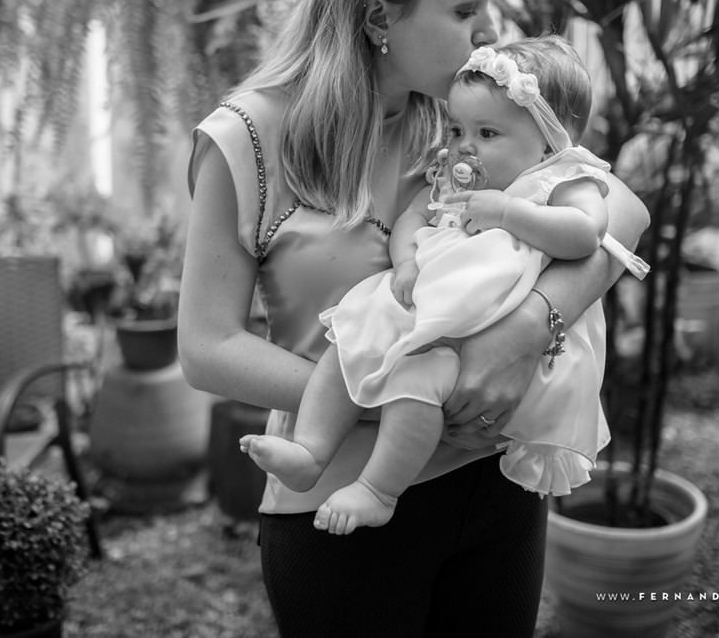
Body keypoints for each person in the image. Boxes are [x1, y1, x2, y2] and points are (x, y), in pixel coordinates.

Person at [180, 0, 649, 638]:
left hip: (498, 492)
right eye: (466, 10)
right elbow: (205, 348)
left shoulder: (473, 111)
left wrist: (529, 327)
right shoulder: (246, 140)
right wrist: (405, 392)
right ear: (377, 16)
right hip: (340, 511)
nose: (489, 31)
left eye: (489, 4)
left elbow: (620, 207)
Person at [238, 36, 650, 536]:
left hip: (479, 319)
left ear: (549, 139)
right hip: (425, 300)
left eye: (488, 132)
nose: (464, 145)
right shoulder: (457, 178)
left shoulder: (563, 179)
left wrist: (507, 212)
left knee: (419, 382)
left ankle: (377, 489)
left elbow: (588, 234)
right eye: (456, 128)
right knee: (347, 340)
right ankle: (310, 452)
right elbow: (415, 215)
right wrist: (406, 259)